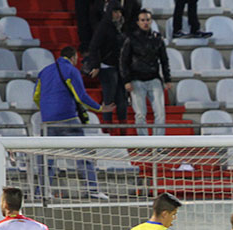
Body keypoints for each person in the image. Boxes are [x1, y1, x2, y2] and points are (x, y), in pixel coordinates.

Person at [34, 46, 114, 200]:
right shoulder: (71, 71)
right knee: (83, 155)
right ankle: (92, 189)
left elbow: (36, 96)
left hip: (47, 121)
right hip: (67, 119)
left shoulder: (44, 72)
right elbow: (81, 96)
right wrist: (100, 108)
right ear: (73, 58)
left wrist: (47, 111)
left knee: (46, 159)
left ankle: (42, 191)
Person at [120, 9, 172, 136]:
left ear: (151, 21)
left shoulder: (157, 38)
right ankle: (143, 143)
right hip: (136, 79)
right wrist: (126, 80)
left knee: (160, 113)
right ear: (138, 22)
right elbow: (123, 61)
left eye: (147, 20)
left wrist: (167, 78)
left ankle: (158, 144)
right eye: (142, 20)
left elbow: (164, 59)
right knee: (140, 114)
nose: (145, 22)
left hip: (154, 78)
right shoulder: (131, 39)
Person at [85, 1, 128, 131]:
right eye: (115, 12)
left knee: (122, 100)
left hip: (120, 68)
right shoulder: (103, 27)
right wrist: (96, 65)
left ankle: (123, 131)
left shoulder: (121, 26)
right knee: (109, 99)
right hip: (107, 67)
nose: (118, 14)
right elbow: (93, 47)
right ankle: (107, 130)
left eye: (119, 12)